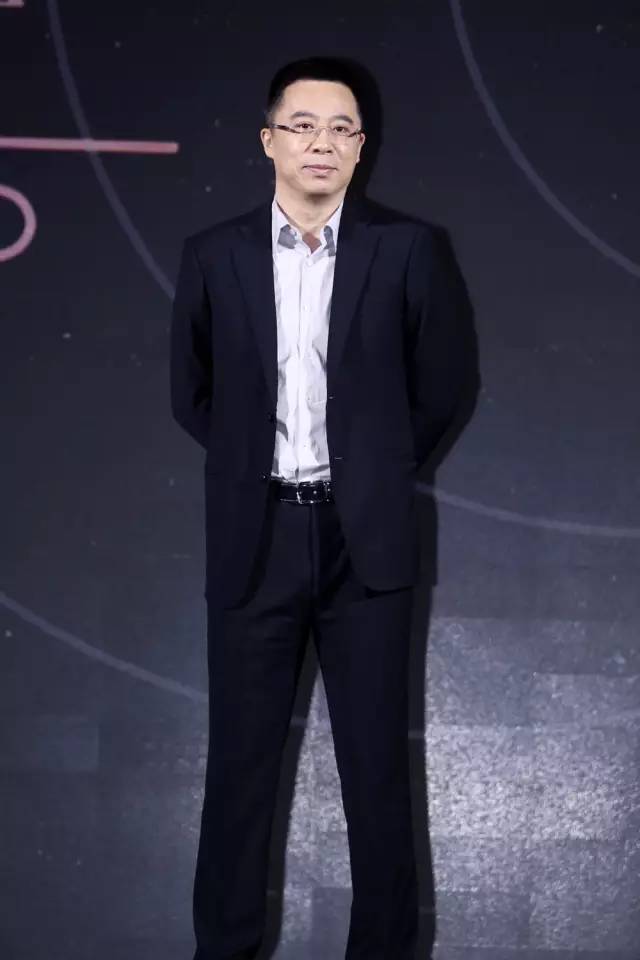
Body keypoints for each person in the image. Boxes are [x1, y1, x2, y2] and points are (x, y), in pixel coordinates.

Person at [170, 55, 473, 960]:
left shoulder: (410, 249)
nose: (322, 143)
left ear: (361, 147)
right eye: (302, 125)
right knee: (238, 773)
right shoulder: (213, 254)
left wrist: (373, 471)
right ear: (268, 140)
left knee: (377, 772)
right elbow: (192, 393)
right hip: (255, 537)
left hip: (364, 542)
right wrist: (252, 468)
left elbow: (445, 386)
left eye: (342, 128)